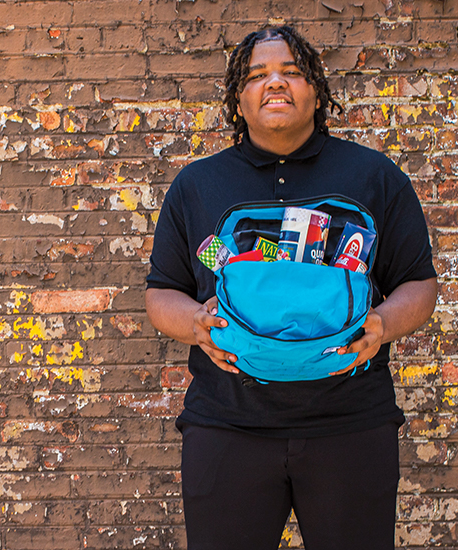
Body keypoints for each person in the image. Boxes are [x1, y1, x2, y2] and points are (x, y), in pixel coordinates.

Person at [144, 26, 439, 549]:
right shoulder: (198, 185)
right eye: (257, 75)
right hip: (226, 424)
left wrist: (384, 324)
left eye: (292, 72)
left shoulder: (373, 176)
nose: (275, 83)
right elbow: (162, 291)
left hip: (350, 424)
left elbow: (418, 283)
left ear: (318, 91)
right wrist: (194, 324)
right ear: (238, 98)